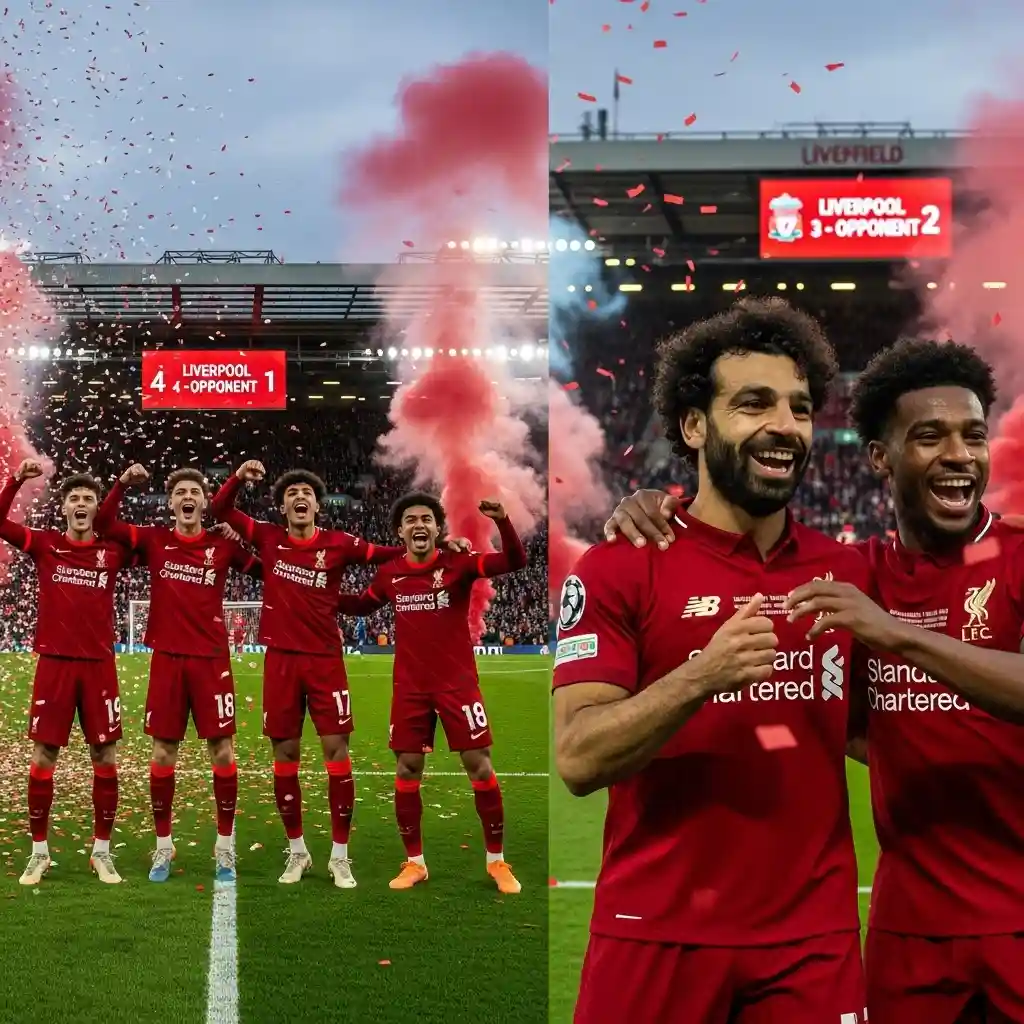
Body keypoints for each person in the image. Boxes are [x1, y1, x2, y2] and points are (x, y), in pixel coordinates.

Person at [602, 339, 1024, 1023]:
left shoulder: (1015, 554)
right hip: (906, 930)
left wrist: (898, 635)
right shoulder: (857, 573)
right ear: (880, 459)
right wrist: (653, 503)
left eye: (974, 436)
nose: (959, 454)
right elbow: (852, 721)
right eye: (931, 436)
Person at [552, 297, 870, 1024]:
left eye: (798, 407)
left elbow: (881, 731)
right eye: (753, 403)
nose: (784, 427)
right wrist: (701, 675)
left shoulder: (847, 572)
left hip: (811, 944)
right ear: (694, 426)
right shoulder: (619, 569)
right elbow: (576, 758)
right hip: (654, 936)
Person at [210, 462, 470, 888]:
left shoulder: (339, 544)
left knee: (336, 753)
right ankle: (297, 852)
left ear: (316, 505)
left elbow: (390, 555)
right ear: (281, 506)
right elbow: (221, 509)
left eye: (307, 493)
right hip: (281, 662)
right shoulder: (268, 538)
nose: (300, 498)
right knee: (286, 757)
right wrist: (238, 477)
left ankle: (340, 856)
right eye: (291, 492)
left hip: (326, 662)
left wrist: (444, 550)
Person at [338, 491, 527, 894]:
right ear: (399, 531)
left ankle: (497, 862)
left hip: (458, 686)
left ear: (438, 529)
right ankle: (415, 863)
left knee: (480, 765)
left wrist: (503, 521)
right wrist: (314, 592)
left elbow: (515, 561)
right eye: (411, 520)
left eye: (427, 519)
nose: (419, 524)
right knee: (407, 769)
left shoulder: (458, 564)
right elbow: (359, 606)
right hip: (410, 690)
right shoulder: (390, 573)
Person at [96, 464, 262, 884]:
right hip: (168, 660)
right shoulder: (154, 540)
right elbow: (104, 523)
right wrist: (120, 485)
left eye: (195, 491)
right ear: (171, 503)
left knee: (222, 751)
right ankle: (163, 846)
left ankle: (224, 848)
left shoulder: (222, 546)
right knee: (163, 753)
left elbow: (267, 569)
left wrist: (239, 535)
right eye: (180, 492)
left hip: (211, 660)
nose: (188, 497)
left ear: (205, 502)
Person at [2, 461, 132, 886]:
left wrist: (117, 486)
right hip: (54, 666)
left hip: (99, 667)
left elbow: (146, 537)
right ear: (63, 509)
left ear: (97, 508)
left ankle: (101, 852)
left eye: (87, 499)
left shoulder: (113, 552)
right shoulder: (45, 545)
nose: (80, 504)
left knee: (104, 758)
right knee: (43, 758)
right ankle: (39, 853)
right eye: (73, 499)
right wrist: (17, 479)